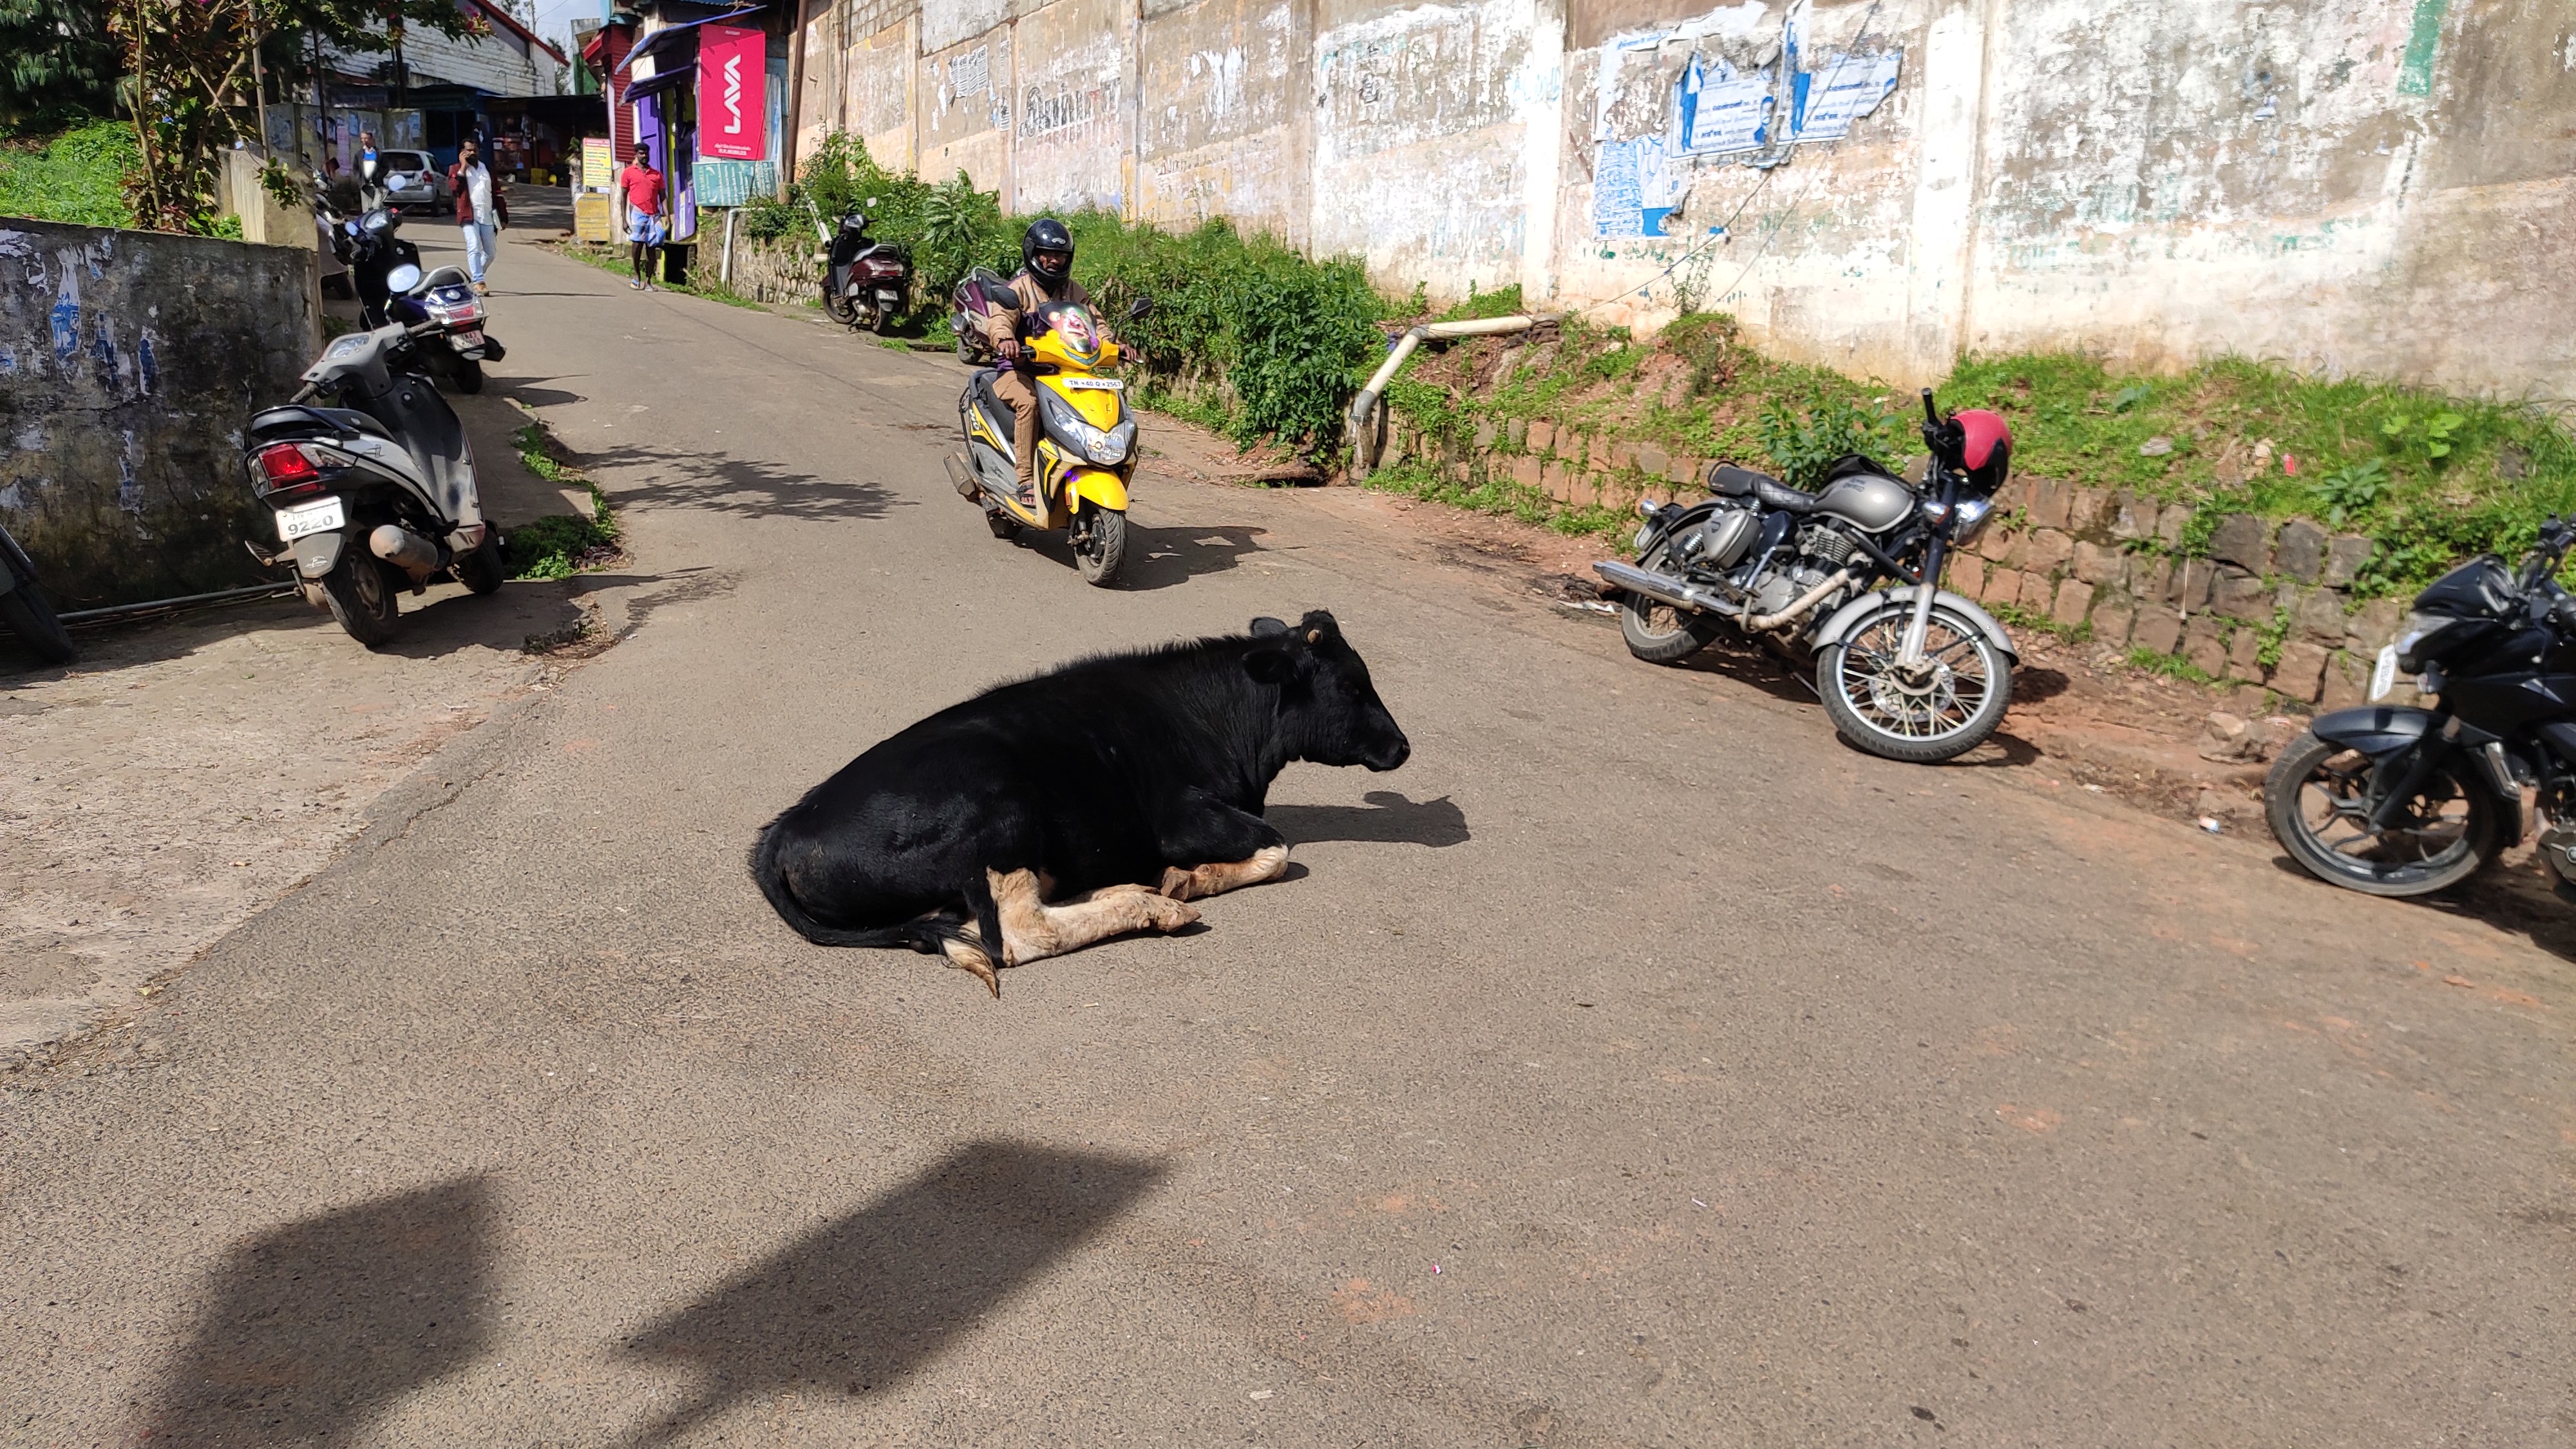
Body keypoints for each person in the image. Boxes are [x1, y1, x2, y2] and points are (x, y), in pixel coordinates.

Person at [983, 218, 1101, 509]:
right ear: (1033, 254)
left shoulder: (1075, 292)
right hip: (1019, 371)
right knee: (1029, 404)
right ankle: (1025, 479)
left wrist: (1116, 345)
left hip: (1064, 373)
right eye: (1046, 254)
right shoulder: (1018, 289)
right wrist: (1005, 340)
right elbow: (999, 320)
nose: (1052, 261)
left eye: (1059, 255)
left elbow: (1096, 323)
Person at [447, 139, 508, 296]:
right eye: (468, 150)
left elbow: (497, 194)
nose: (472, 153)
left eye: (474, 150)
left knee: (490, 253)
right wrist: (463, 167)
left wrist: (503, 216)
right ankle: (479, 281)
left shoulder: (487, 169)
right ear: (462, 152)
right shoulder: (456, 169)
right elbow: (454, 188)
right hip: (469, 216)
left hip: (487, 216)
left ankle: (474, 278)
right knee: (473, 247)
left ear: (479, 151)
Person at [619, 151, 666, 291]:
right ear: (636, 155)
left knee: (653, 245)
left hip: (654, 215)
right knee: (637, 245)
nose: (644, 156)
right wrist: (624, 220)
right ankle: (636, 275)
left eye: (646, 153)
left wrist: (667, 215)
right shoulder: (628, 173)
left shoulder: (656, 174)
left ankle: (649, 282)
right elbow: (623, 196)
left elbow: (663, 196)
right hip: (637, 213)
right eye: (641, 153)